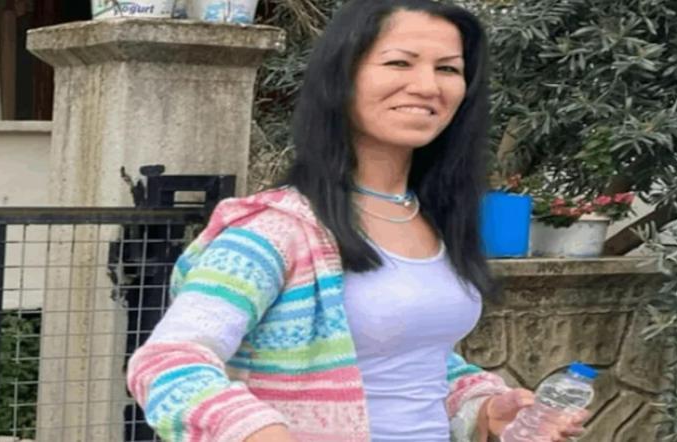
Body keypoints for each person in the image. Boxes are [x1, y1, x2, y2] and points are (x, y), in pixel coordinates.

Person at [126, 0, 587, 441]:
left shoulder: (434, 220)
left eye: (448, 69)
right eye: (400, 63)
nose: (428, 86)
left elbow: (409, 362)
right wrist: (253, 431)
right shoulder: (275, 230)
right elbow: (170, 362)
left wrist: (484, 408)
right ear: (342, 76)